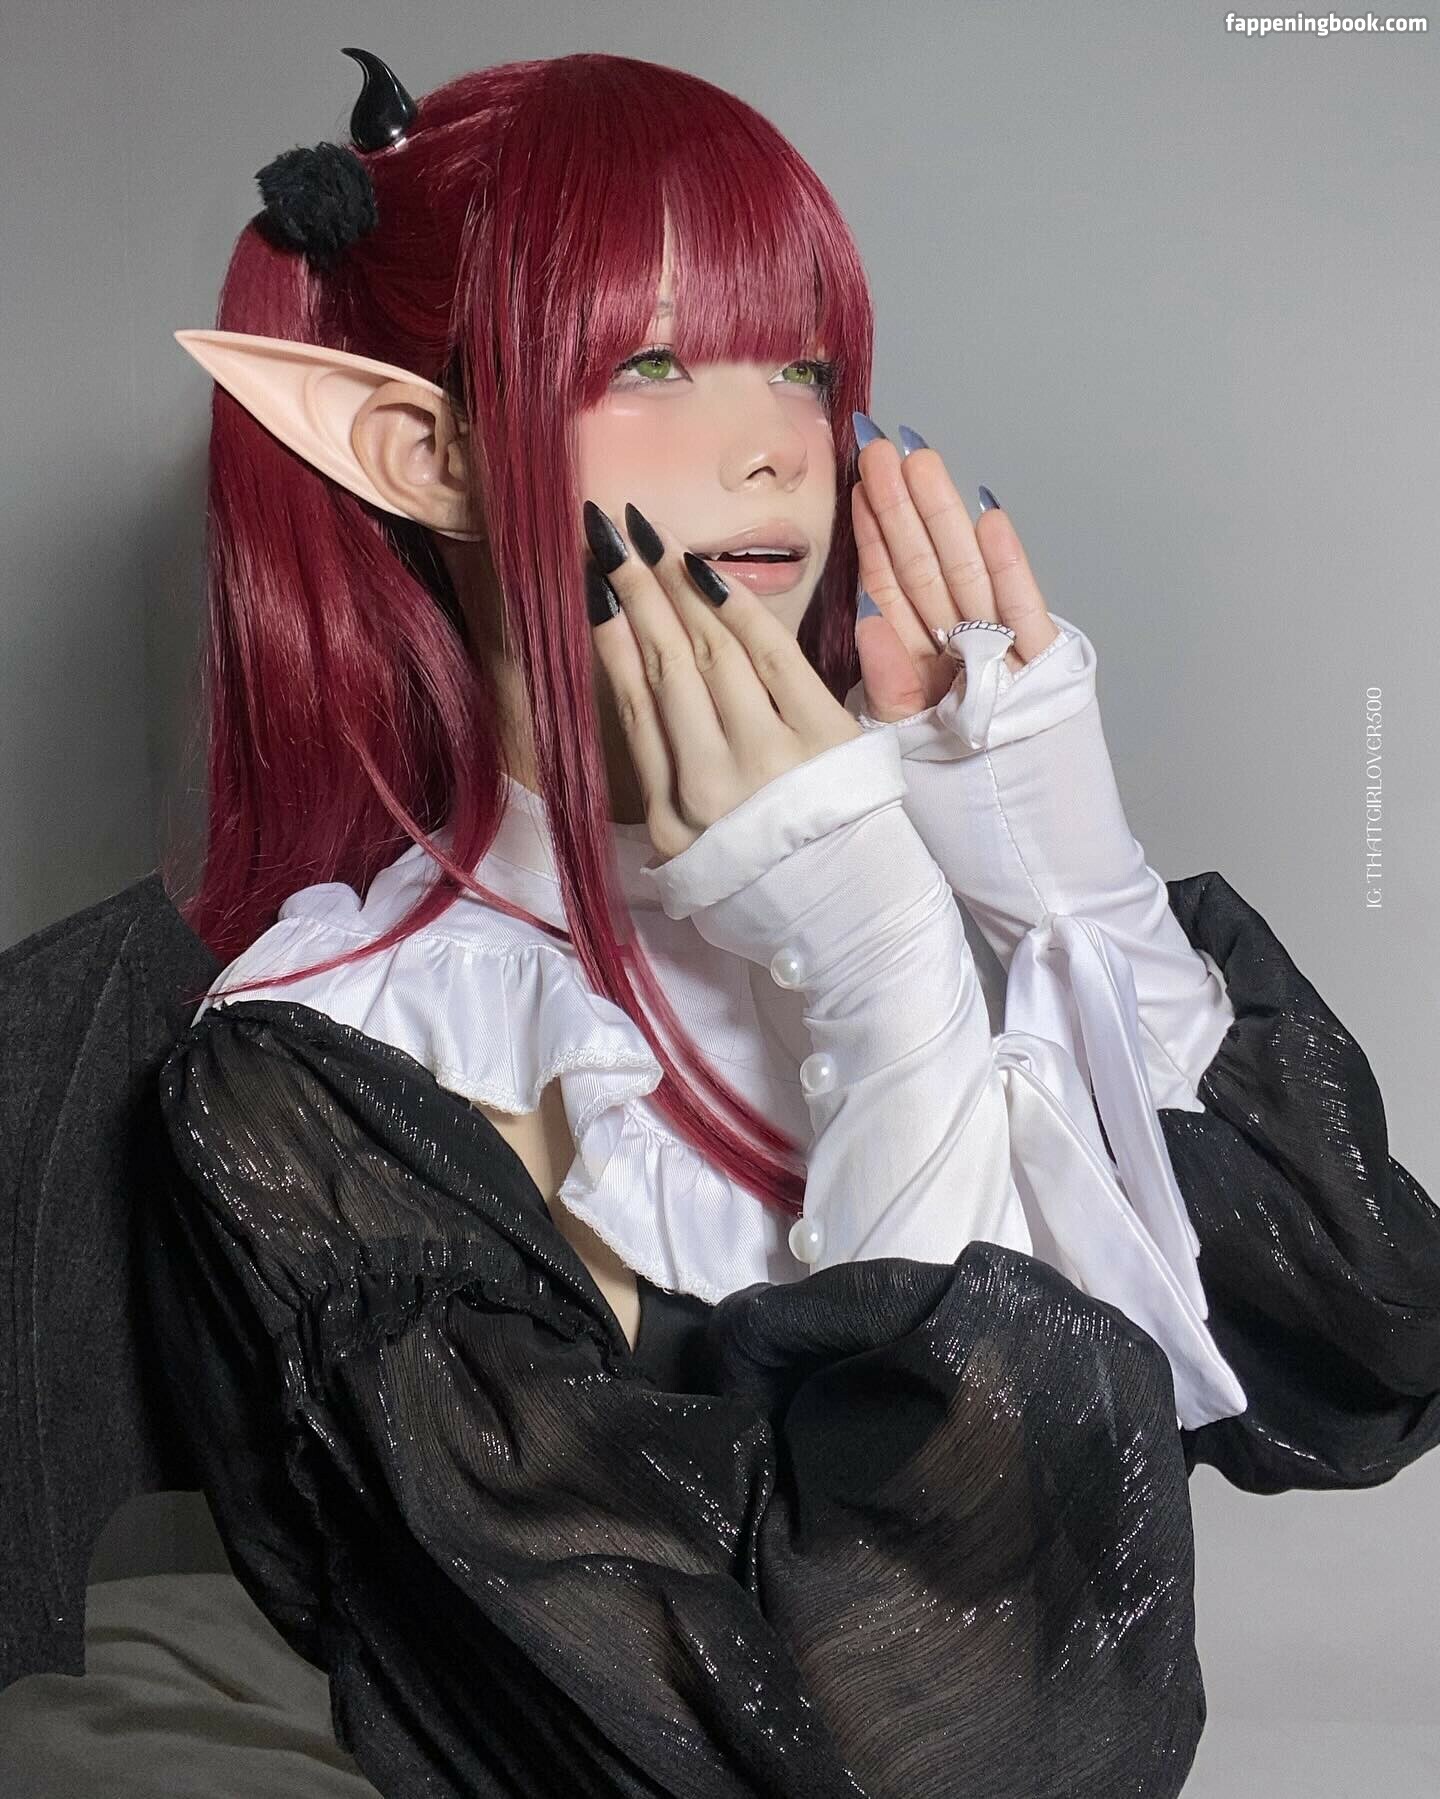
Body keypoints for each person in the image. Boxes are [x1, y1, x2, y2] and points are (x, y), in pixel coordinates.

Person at [94, 44, 1440, 1799]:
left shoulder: (910, 882)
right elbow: (928, 1733)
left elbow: (1362, 1356)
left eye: (802, 363)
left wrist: (1069, 884)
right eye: (651, 363)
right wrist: (878, 983)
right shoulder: (332, 1068)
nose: (777, 448)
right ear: (424, 449)